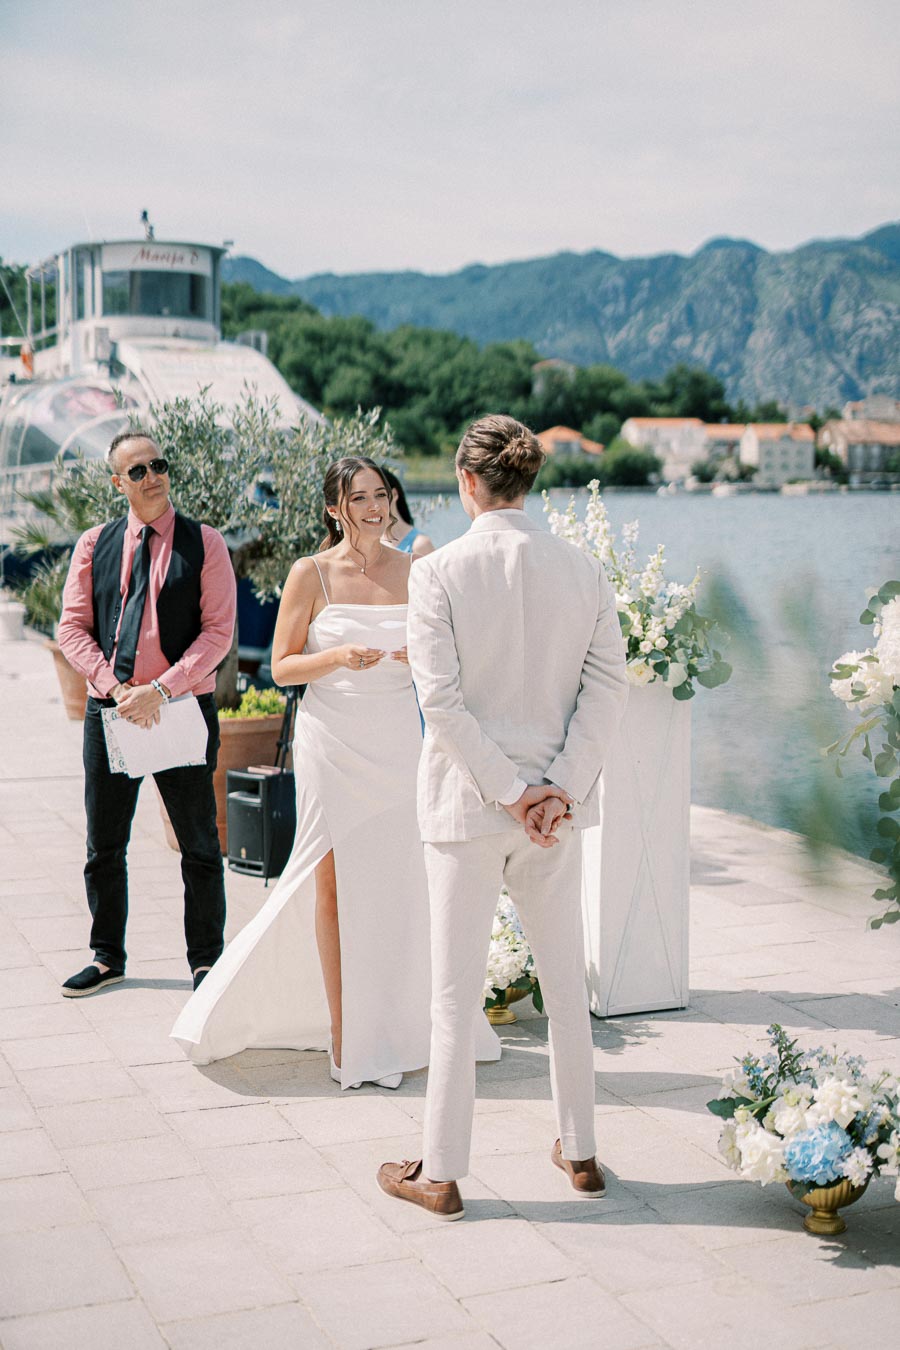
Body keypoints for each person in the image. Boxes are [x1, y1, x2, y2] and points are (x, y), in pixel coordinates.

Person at [170, 455, 499, 1088]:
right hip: (333, 741)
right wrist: (341, 657)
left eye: (381, 494)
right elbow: (282, 667)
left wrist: (417, 658)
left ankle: (402, 1027)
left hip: (399, 741)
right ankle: (348, 1038)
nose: (376, 507)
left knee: (400, 882)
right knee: (331, 886)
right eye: (360, 497)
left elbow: (449, 661)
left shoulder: (419, 569)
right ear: (334, 509)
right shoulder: (311, 573)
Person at [377, 414, 629, 1219]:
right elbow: (608, 690)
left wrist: (508, 789)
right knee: (563, 987)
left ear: (467, 481)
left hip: (467, 813)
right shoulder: (583, 570)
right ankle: (581, 1151)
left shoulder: (438, 572)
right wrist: (554, 787)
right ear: (528, 482)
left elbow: (439, 703)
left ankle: (443, 1174)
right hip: (552, 816)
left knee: (453, 996)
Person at [57, 431, 236, 997]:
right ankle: (107, 956)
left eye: (158, 464)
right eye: (137, 470)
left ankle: (207, 961)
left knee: (199, 844)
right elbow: (71, 628)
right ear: (118, 483)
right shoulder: (94, 544)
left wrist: (160, 689)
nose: (152, 475)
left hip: (181, 708)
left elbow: (218, 633)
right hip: (109, 711)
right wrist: (113, 687)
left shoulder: (205, 542)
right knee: (103, 844)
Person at [380, 468, 435, 558]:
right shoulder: (368, 544)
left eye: (379, 495)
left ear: (394, 494)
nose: (373, 503)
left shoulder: (420, 545)